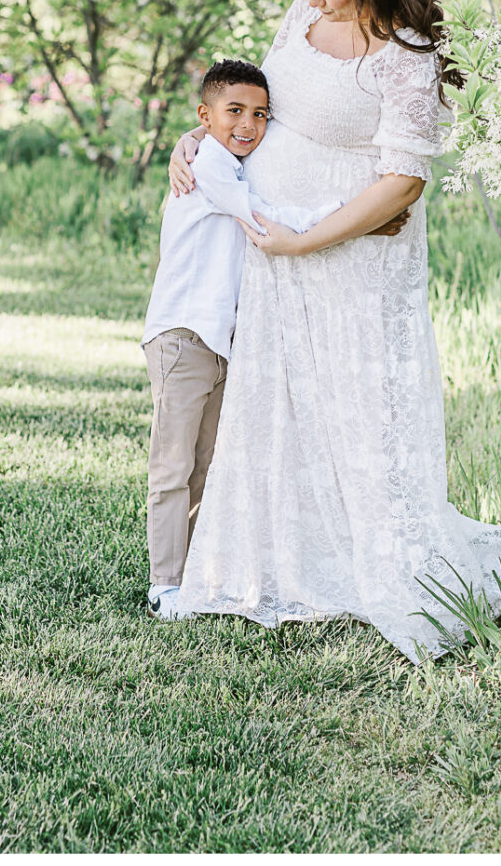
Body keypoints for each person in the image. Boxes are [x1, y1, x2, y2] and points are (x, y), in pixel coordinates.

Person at [169, 0, 501, 660]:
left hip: (349, 252)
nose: (315, 2)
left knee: (359, 408)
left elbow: (404, 181)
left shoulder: (406, 56)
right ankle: (281, 564)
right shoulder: (306, 8)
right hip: (277, 245)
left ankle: (380, 567)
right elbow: (260, 102)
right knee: (286, 400)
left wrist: (306, 238)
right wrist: (201, 138)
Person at [139, 60, 339, 621]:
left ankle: (197, 572)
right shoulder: (208, 165)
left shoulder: (223, 159)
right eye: (235, 112)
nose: (249, 124)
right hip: (183, 334)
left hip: (223, 341)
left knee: (206, 465)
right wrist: (347, 216)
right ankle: (165, 583)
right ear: (206, 115)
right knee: (173, 466)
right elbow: (263, 219)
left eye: (260, 114)